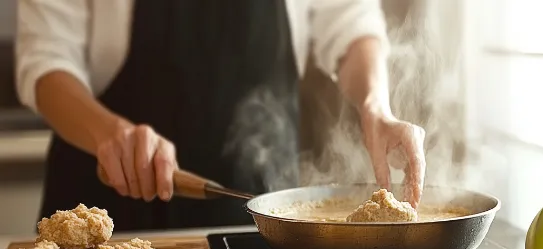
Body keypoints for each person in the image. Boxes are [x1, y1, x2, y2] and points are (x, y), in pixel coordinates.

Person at [15, 0, 426, 232]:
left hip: (260, 220)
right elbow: (46, 61)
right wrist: (109, 133)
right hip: (107, 213)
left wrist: (376, 107)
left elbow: (353, 25)